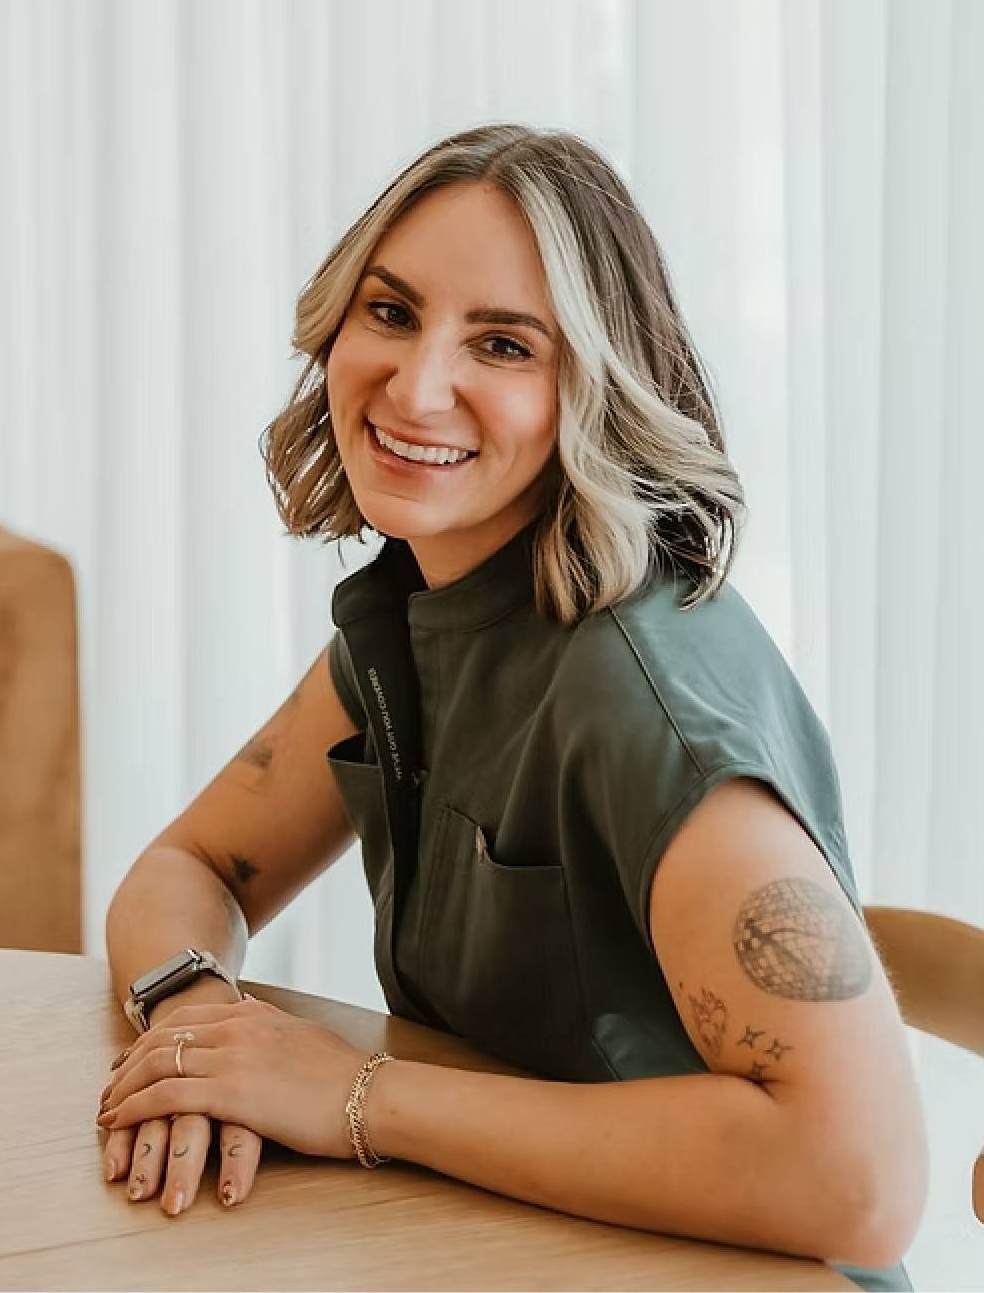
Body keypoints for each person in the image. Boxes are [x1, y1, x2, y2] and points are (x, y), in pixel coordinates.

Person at [100, 123, 926, 1290]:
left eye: (501, 343)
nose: (418, 381)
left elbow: (864, 1181)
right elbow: (196, 861)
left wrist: (350, 1093)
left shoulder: (643, 702)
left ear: (594, 386)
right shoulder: (427, 610)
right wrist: (195, 1018)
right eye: (390, 311)